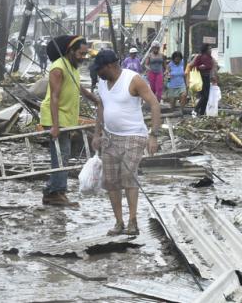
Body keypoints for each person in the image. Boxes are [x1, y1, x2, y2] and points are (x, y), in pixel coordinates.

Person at [92, 50, 161, 236]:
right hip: (110, 136)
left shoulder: (133, 79)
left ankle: (133, 221)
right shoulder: (102, 83)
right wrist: (97, 133)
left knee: (127, 177)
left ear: (110, 66)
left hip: (134, 135)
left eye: (99, 69)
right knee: (110, 181)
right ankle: (119, 222)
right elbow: (101, 106)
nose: (97, 73)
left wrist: (153, 135)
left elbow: (154, 104)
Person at [39, 35, 99, 207]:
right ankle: (54, 192)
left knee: (63, 155)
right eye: (81, 53)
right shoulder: (58, 68)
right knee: (60, 155)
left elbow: (79, 88)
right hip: (55, 118)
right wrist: (55, 126)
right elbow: (55, 97)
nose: (83, 57)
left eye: (85, 54)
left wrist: (95, 99)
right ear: (70, 51)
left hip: (66, 118)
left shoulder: (72, 68)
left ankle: (56, 191)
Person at [190, 44, 216, 116]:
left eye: (211, 49)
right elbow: (193, 66)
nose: (210, 50)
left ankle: (202, 113)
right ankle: (195, 110)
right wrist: (200, 67)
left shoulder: (210, 58)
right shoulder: (199, 56)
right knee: (204, 96)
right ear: (206, 50)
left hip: (207, 77)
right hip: (201, 77)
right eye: (209, 49)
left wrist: (213, 76)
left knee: (206, 97)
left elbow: (212, 67)